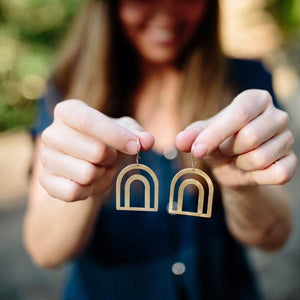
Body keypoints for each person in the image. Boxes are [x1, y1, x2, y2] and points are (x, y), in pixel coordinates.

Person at [24, 0, 297, 299]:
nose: (167, 14)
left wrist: (242, 184)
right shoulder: (67, 87)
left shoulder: (246, 81)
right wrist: (86, 185)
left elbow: (273, 236)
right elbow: (45, 252)